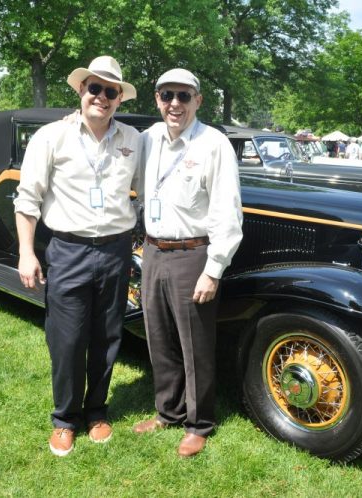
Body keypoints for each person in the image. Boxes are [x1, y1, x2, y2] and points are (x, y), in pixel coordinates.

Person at [13, 55, 141, 457]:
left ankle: (97, 412)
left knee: (107, 336)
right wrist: (26, 253)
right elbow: (27, 199)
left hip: (116, 250)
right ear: (81, 90)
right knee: (66, 340)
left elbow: (149, 188)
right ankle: (65, 419)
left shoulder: (133, 140)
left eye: (110, 91)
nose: (101, 97)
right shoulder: (52, 137)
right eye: (94, 88)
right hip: (68, 250)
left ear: (119, 98)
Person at [132, 68, 243, 458]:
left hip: (193, 254)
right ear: (157, 99)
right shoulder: (146, 139)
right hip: (153, 252)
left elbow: (227, 211)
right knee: (159, 339)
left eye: (183, 96)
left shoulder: (213, 144)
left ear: (198, 100)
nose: (174, 104)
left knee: (195, 345)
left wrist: (213, 269)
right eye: (167, 96)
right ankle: (168, 412)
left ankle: (199, 424)